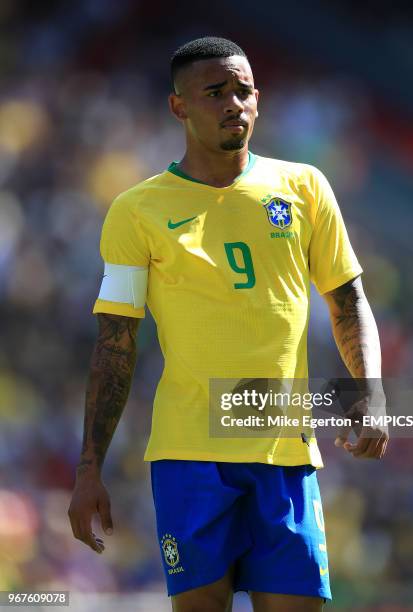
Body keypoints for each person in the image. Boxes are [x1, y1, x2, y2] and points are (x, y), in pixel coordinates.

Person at [68, 36, 388, 612]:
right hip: (191, 455)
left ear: (259, 100)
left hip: (286, 452)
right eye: (215, 92)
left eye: (243, 91)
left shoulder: (305, 187)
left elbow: (348, 301)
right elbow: (115, 346)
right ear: (179, 107)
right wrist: (89, 469)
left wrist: (370, 388)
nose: (233, 103)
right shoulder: (137, 210)